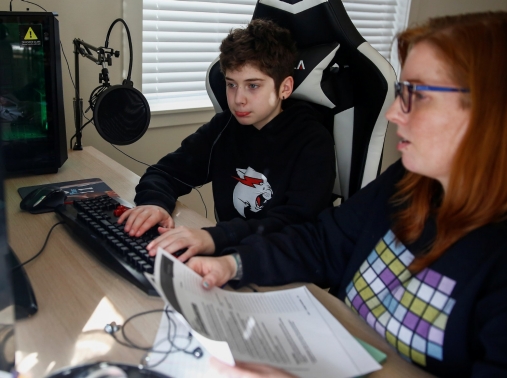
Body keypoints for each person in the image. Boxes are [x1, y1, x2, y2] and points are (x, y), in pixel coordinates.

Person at [186, 11, 507, 378]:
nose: (394, 113)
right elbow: (320, 242)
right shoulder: (408, 182)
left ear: (491, 107)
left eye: (418, 94)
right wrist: (231, 264)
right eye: (402, 91)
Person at [118, 19, 336, 261]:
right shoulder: (224, 128)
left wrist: (214, 237)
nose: (238, 99)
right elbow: (166, 173)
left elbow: (294, 225)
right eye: (231, 84)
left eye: (253, 86)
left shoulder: (313, 141)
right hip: (226, 253)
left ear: (285, 88)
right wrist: (155, 203)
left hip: (282, 263)